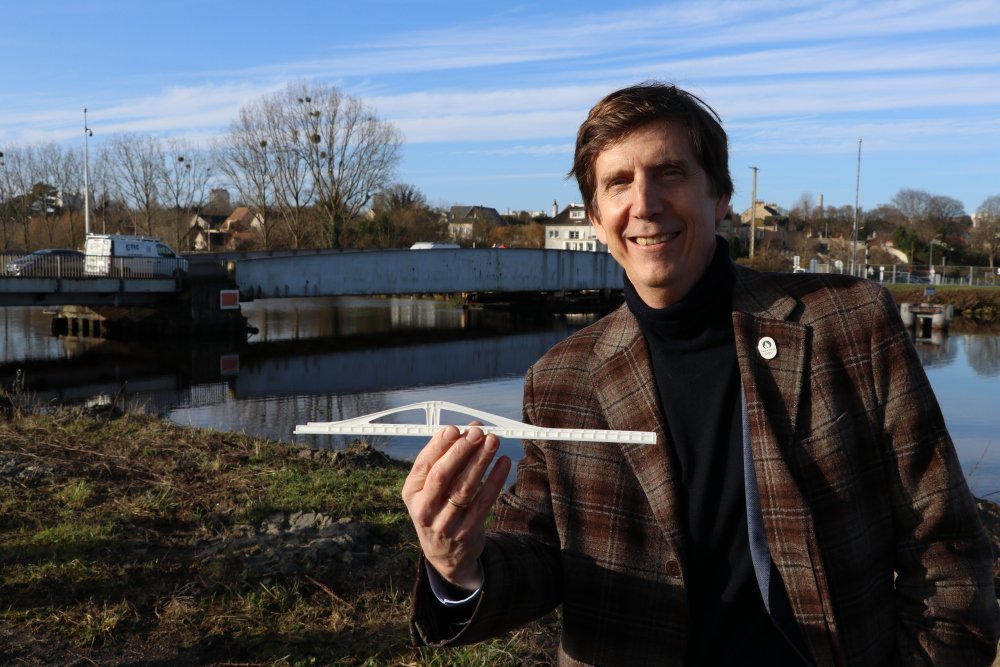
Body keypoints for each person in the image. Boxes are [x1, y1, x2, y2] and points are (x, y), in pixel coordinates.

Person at [401, 82, 1000, 665]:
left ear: (720, 198)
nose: (645, 204)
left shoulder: (850, 325)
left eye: (670, 173)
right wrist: (459, 567)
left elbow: (945, 549)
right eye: (618, 183)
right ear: (596, 218)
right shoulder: (561, 378)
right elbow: (542, 553)